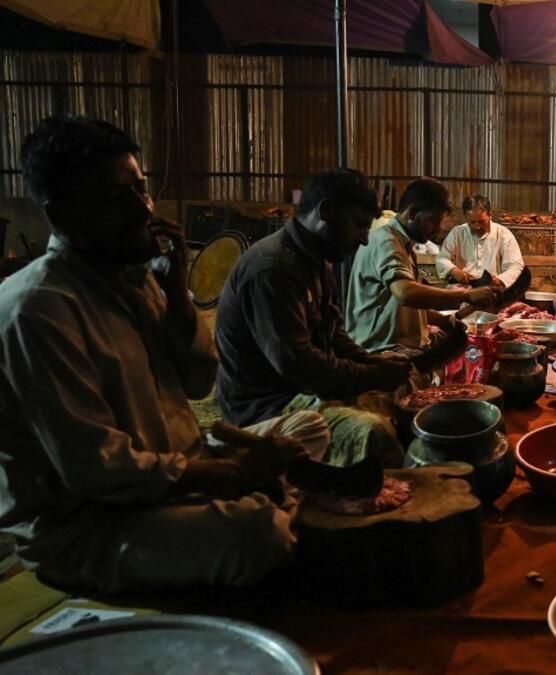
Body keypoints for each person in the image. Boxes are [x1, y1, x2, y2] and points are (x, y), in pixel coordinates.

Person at [0, 115, 329, 593]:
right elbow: (97, 469)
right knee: (258, 531)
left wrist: (177, 292)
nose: (143, 209)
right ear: (62, 214)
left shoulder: (136, 281)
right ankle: (260, 512)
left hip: (176, 472)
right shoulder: (38, 311)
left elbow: (199, 383)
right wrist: (231, 474)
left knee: (306, 432)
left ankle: (258, 502)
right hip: (92, 525)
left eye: (141, 188)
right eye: (115, 196)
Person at [217, 168, 413, 467]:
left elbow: (334, 335)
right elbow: (299, 365)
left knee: (401, 400)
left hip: (304, 391)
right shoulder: (273, 269)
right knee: (374, 433)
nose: (363, 239)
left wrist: (372, 362)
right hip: (268, 408)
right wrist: (373, 375)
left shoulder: (314, 262)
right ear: (326, 211)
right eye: (359, 225)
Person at [345, 178, 496, 355]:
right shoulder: (386, 242)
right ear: (412, 213)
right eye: (433, 220)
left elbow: (406, 307)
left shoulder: (404, 245)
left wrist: (444, 321)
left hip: (403, 348)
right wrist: (467, 295)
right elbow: (405, 294)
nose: (437, 229)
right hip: (384, 354)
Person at [435, 194, 528, 291]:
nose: (477, 227)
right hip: (461, 289)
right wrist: (454, 271)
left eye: (481, 221)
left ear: (490, 215)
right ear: (466, 217)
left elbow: (516, 265)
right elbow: (442, 258)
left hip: (492, 289)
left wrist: (500, 280)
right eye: (472, 222)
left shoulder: (503, 234)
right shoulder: (457, 233)